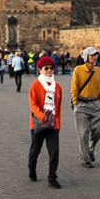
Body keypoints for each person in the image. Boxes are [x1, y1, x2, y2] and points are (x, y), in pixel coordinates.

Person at [27, 56, 62, 189]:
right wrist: (41, 116)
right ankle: (31, 169)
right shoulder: (35, 85)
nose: (49, 71)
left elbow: (57, 107)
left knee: (54, 152)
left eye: (51, 68)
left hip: (52, 124)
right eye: (46, 68)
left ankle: (52, 177)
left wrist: (58, 123)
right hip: (38, 123)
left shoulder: (57, 86)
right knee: (35, 150)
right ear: (40, 70)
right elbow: (33, 103)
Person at [71, 47, 100, 168]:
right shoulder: (78, 70)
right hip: (82, 104)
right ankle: (86, 158)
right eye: (91, 56)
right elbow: (74, 88)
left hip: (96, 103)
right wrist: (75, 102)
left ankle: (91, 148)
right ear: (86, 58)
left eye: (95, 55)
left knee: (98, 130)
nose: (94, 57)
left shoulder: (99, 71)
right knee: (83, 133)